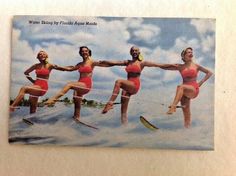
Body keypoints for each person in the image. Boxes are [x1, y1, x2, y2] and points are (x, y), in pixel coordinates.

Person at [100, 46, 162, 125]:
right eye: (133, 51)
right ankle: (124, 126)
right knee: (123, 111)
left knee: (118, 82)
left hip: (134, 85)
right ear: (130, 53)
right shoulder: (128, 62)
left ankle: (110, 103)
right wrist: (104, 61)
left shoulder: (142, 63)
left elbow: (158, 65)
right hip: (127, 87)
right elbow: (115, 62)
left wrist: (174, 66)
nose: (134, 52)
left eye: (136, 50)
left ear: (139, 52)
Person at [44, 46, 108, 122]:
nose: (84, 52)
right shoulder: (80, 64)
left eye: (86, 51)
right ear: (80, 53)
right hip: (79, 84)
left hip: (86, 85)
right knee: (77, 104)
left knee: (70, 84)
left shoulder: (92, 62)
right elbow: (69, 69)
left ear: (88, 52)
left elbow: (105, 64)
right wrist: (56, 67)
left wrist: (121, 63)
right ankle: (76, 119)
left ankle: (53, 99)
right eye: (82, 51)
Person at [158, 47, 213, 128]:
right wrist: (165, 65)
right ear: (183, 56)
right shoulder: (180, 66)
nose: (191, 53)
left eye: (191, 52)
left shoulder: (196, 66)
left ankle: (173, 107)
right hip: (183, 93)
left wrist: (200, 83)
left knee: (180, 87)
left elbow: (209, 73)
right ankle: (187, 130)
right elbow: (163, 67)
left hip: (193, 89)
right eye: (188, 52)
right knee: (186, 115)